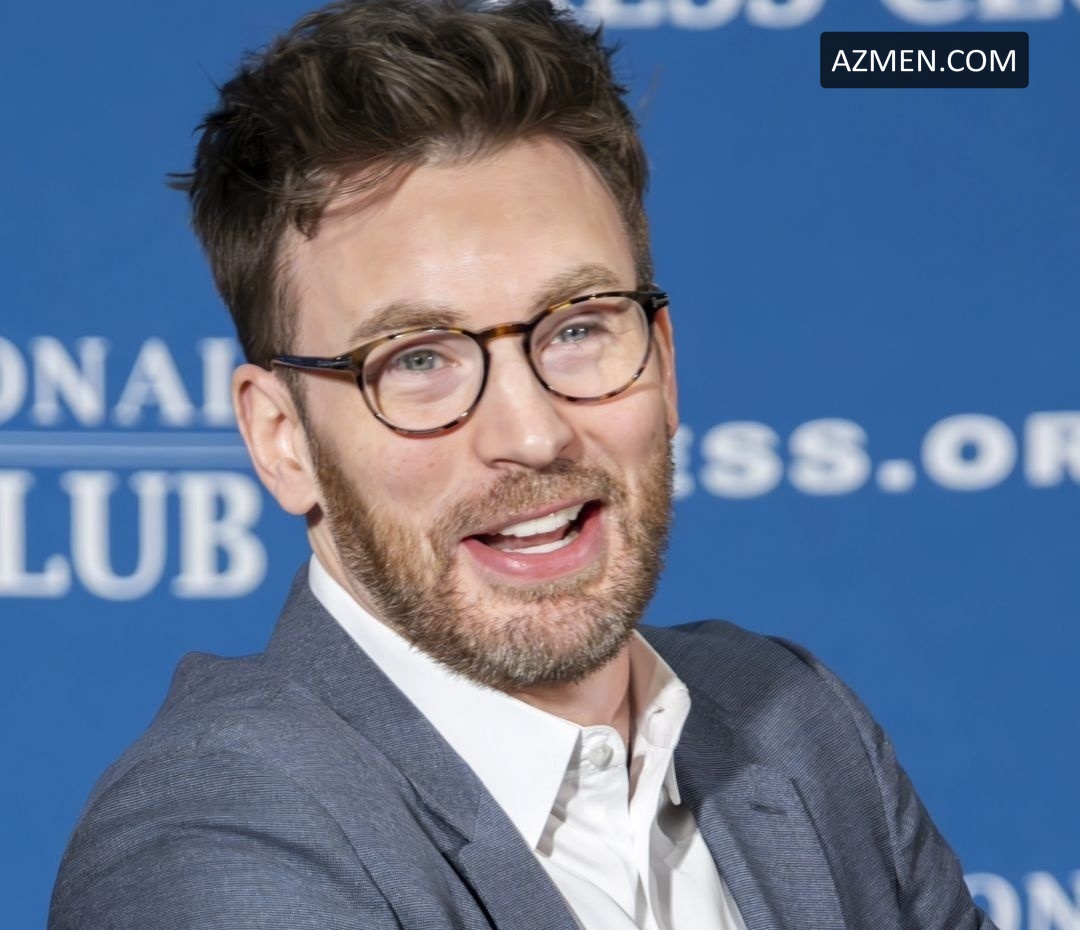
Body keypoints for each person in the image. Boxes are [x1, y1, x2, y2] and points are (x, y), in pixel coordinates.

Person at [49, 1, 995, 928]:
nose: (534, 434)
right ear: (281, 439)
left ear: (664, 362)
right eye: (418, 360)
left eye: (577, 328)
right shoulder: (213, 844)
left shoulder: (795, 720)